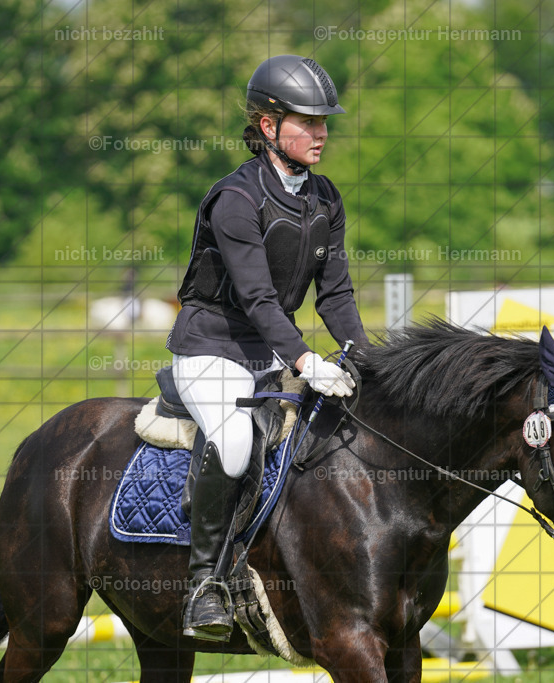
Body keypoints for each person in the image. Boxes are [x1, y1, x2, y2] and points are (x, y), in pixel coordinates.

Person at [165, 54, 369, 641]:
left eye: (324, 121)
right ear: (268, 125)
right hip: (212, 348)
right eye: (308, 121)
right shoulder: (235, 199)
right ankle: (204, 585)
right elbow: (257, 299)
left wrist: (365, 357)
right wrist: (307, 361)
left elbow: (336, 294)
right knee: (233, 443)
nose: (321, 133)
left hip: (271, 353)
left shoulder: (325, 198)